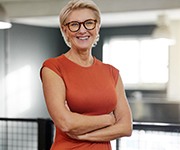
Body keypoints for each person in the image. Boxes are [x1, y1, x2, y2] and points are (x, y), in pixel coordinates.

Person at [40, 0, 133, 149]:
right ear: (65, 30)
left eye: (89, 23)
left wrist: (83, 135)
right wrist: (108, 119)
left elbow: (126, 127)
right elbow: (65, 123)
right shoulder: (53, 68)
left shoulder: (112, 73)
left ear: (97, 27)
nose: (82, 30)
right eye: (74, 24)